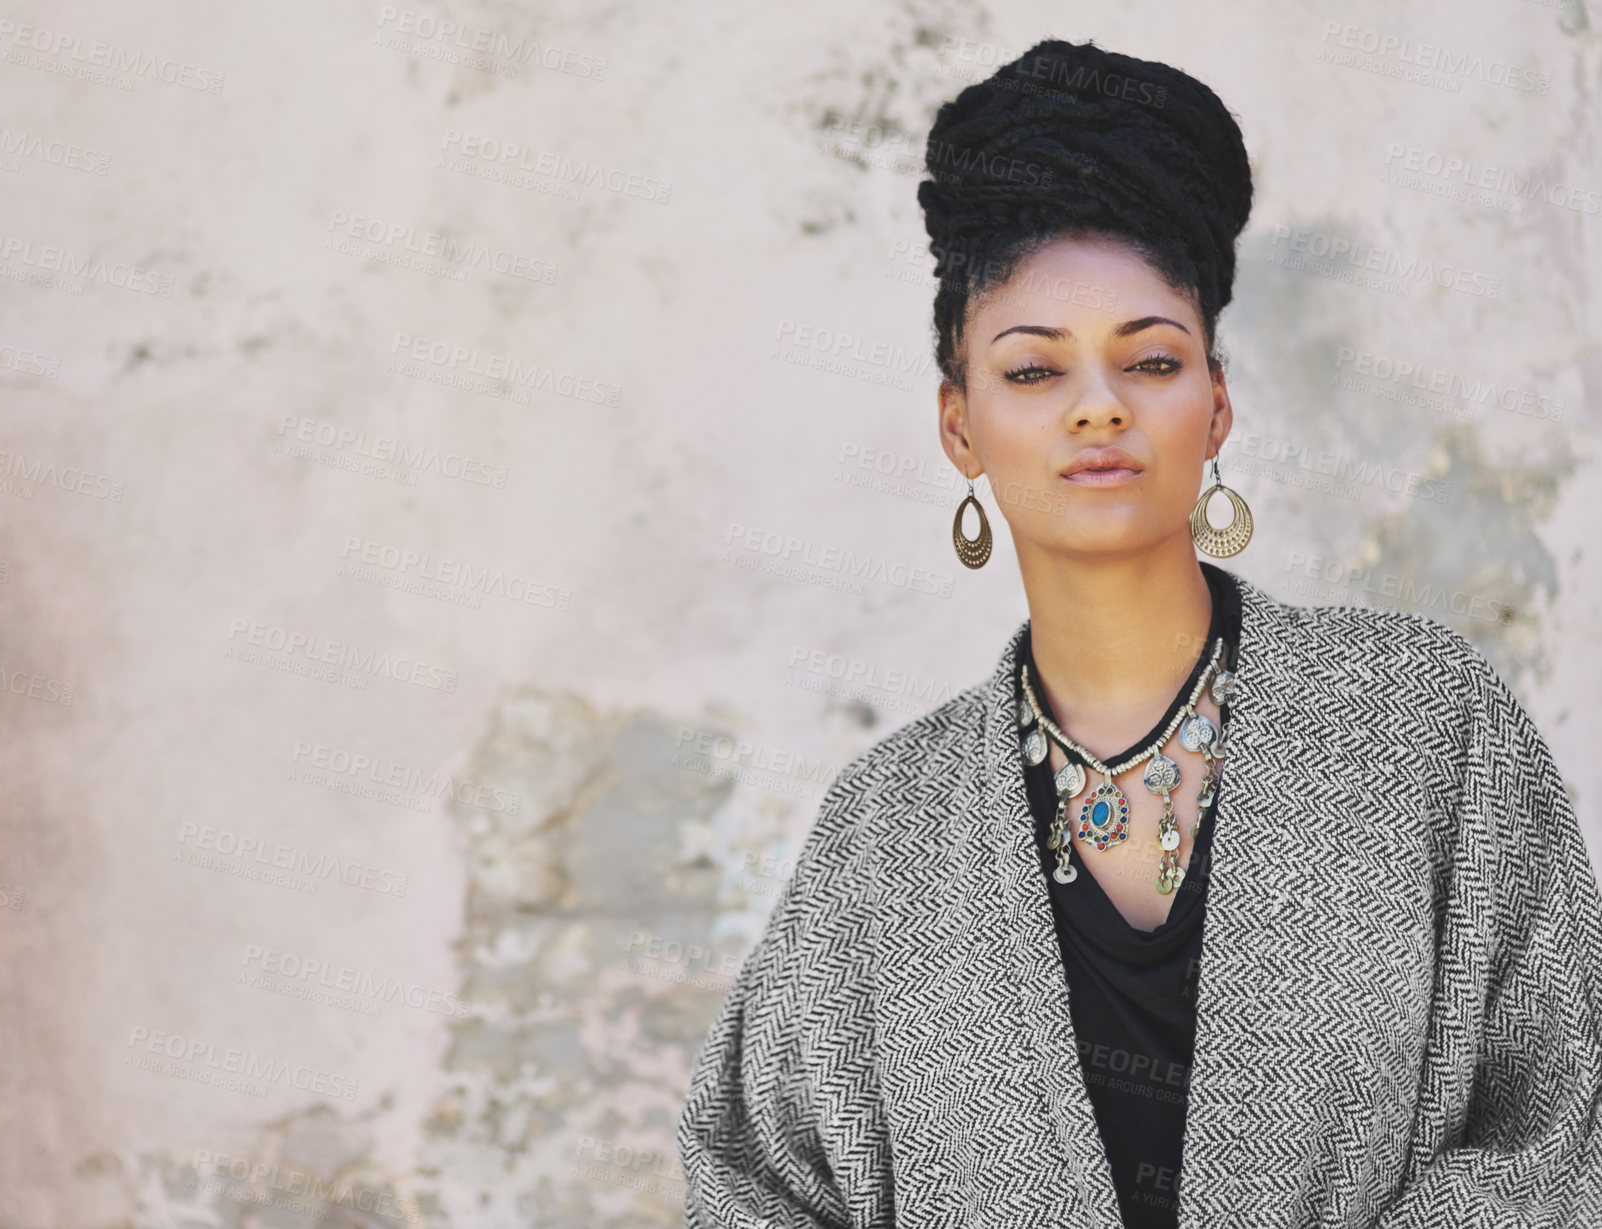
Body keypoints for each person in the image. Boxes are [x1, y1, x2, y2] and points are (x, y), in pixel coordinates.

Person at [677, 37, 1602, 1229]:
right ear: (960, 427)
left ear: (1215, 401)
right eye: (1032, 371)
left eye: (1149, 358)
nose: (1098, 404)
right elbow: (750, 1175)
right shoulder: (885, 831)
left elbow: (1563, 1116)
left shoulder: (1422, 726)